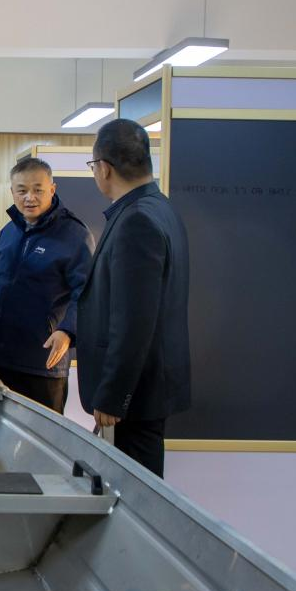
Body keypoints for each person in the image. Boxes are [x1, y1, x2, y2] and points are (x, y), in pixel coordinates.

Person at [77, 119, 191, 477]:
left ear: (104, 168)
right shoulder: (159, 208)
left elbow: (134, 321)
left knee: (134, 491)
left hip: (135, 397)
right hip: (148, 388)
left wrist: (114, 395)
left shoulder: (137, 220)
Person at [0, 157, 93, 414]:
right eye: (22, 190)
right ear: (12, 192)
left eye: (38, 190)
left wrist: (68, 331)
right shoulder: (7, 233)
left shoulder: (74, 235)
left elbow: (88, 294)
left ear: (52, 189)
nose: (29, 198)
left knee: (42, 435)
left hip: (42, 364)